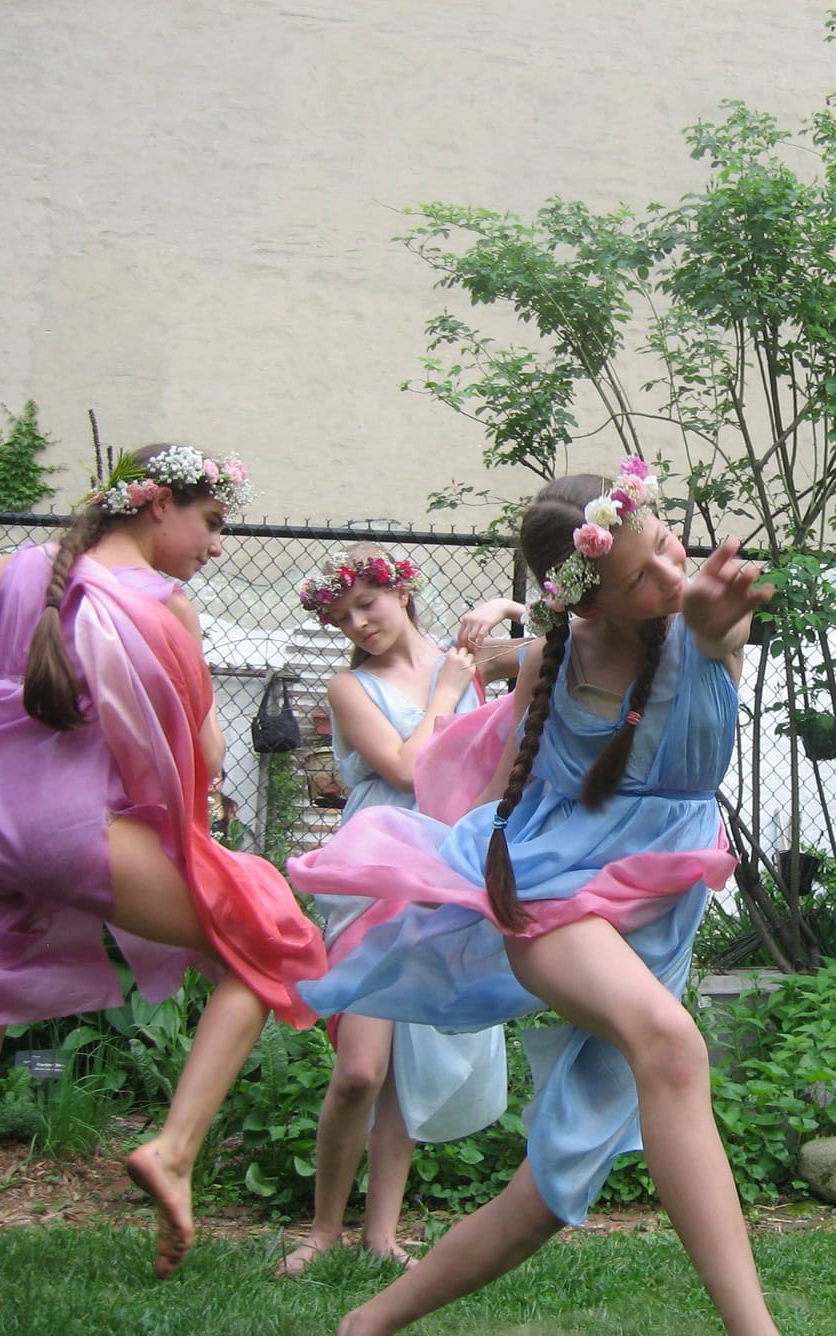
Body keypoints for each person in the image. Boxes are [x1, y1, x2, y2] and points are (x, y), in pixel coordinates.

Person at [289, 462, 780, 1336]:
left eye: (667, 545)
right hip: (551, 897)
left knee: (556, 1181)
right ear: (588, 602)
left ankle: (366, 1323)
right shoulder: (558, 662)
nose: (671, 574)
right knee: (671, 1045)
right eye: (641, 576)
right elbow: (501, 782)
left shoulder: (704, 620)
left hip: (652, 921)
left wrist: (702, 620)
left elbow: (702, 627)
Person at [0, 443, 327, 1312]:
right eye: (213, 522)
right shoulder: (165, 606)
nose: (218, 545)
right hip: (66, 829)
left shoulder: (18, 569)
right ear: (157, 505)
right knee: (268, 943)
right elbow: (203, 755)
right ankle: (175, 1150)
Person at [277, 543, 526, 1276]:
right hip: (374, 866)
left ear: (402, 593)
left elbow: (564, 637)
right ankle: (323, 1230)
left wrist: (502, 609)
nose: (357, 623)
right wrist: (448, 692)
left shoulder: (474, 657)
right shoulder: (349, 687)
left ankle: (379, 1234)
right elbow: (406, 769)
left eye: (367, 604)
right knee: (360, 1068)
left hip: (444, 863)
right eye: (342, 615)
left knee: (408, 1066)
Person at [209, 768, 256, 851]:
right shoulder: (192, 803)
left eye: (216, 776)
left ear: (223, 781)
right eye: (208, 776)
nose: (211, 780)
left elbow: (232, 836)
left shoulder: (230, 806)